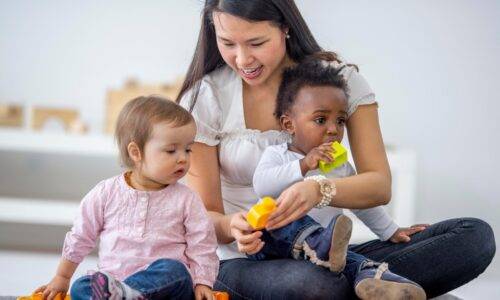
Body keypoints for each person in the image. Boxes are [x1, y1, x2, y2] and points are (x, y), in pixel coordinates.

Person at [177, 1, 496, 298]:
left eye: (256, 43)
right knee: (315, 285)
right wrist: (232, 226)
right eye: (228, 43)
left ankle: (369, 280)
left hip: (335, 257)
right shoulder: (207, 97)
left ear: (285, 26)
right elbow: (206, 216)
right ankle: (381, 283)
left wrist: (319, 190)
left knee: (474, 237)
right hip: (246, 261)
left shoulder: (338, 83)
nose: (242, 59)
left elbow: (378, 186)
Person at [250, 54, 426, 299]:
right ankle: (330, 250)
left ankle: (372, 276)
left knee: (343, 261)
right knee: (280, 218)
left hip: (325, 258)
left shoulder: (339, 168)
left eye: (340, 120)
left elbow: (363, 205)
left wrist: (391, 231)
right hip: (273, 247)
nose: (333, 129)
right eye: (321, 120)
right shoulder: (278, 155)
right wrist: (303, 165)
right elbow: (262, 185)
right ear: (289, 125)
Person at [35, 96, 218, 300]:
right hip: (114, 281)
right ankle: (121, 294)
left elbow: (202, 242)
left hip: (167, 289)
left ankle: (127, 294)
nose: (183, 157)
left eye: (188, 149)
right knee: (81, 286)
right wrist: (62, 276)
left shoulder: (187, 199)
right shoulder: (106, 193)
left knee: (175, 270)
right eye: (171, 150)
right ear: (136, 152)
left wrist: (203, 282)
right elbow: (80, 236)